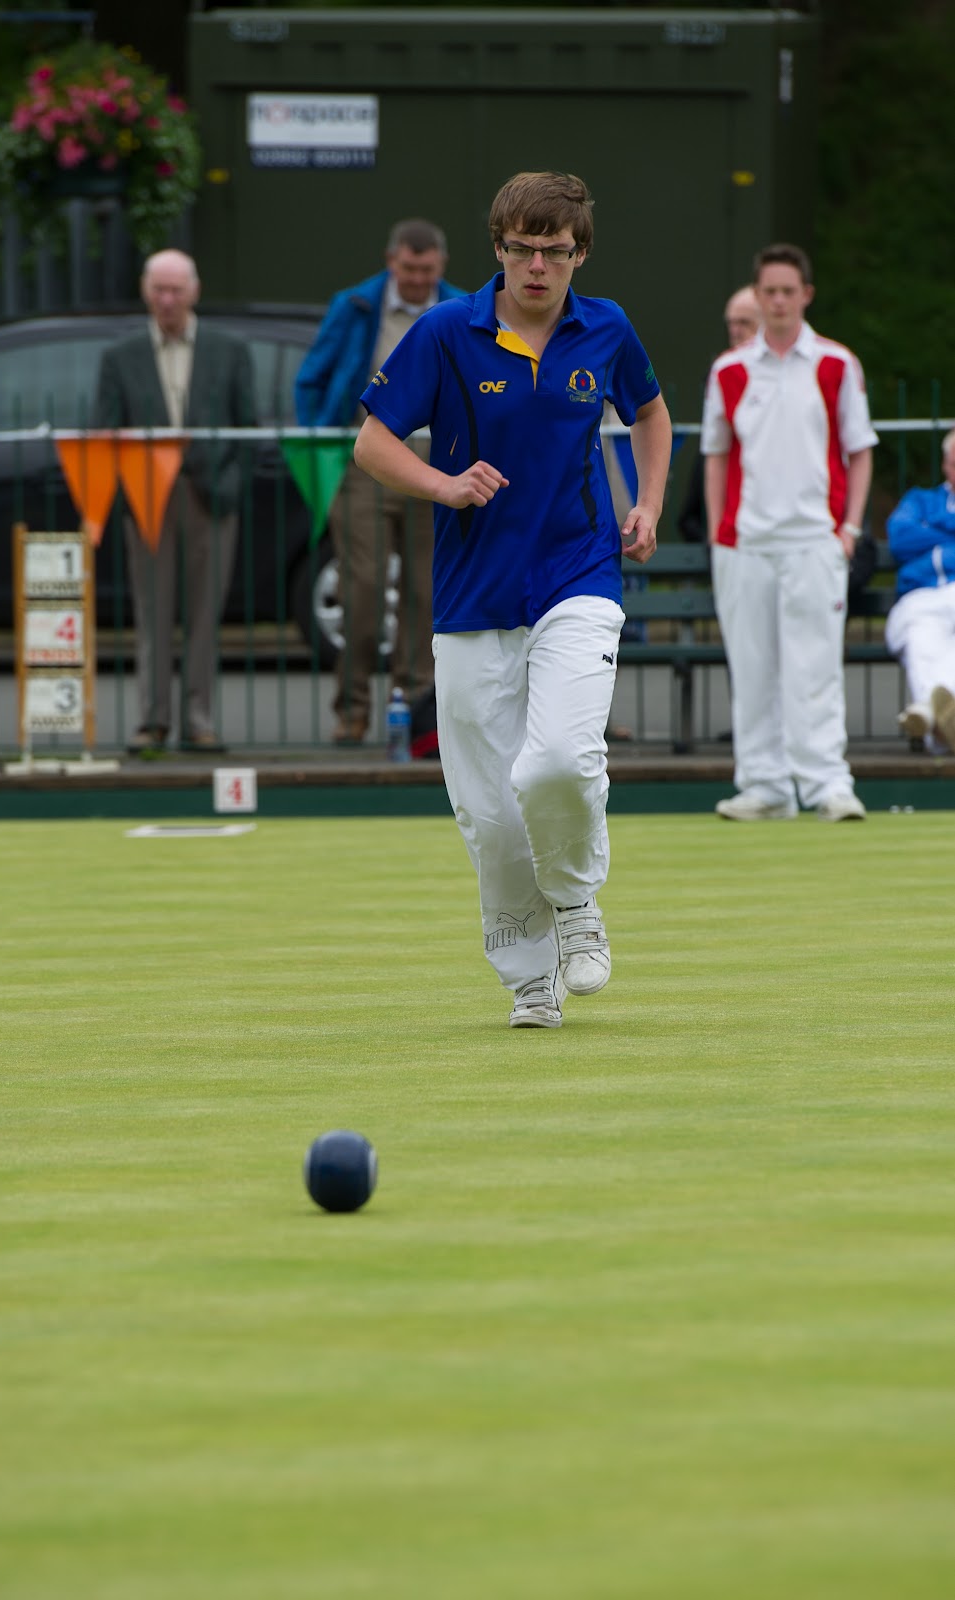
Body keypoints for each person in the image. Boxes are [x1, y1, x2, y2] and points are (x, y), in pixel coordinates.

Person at [354, 170, 671, 1029]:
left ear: (579, 254)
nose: (538, 266)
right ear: (498, 249)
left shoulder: (605, 327)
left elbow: (649, 413)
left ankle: (575, 907)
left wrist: (644, 501)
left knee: (559, 761)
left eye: (555, 251)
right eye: (522, 249)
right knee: (489, 811)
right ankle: (528, 977)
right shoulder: (446, 331)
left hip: (578, 574)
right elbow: (373, 444)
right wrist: (444, 485)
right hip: (471, 596)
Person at [701, 242, 877, 822]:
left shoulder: (836, 364)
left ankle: (828, 782)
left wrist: (848, 527)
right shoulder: (728, 370)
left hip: (815, 540)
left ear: (805, 295)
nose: (777, 301)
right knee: (751, 667)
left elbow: (859, 451)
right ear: (758, 296)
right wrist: (718, 535)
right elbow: (716, 455)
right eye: (768, 291)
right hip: (746, 542)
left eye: (787, 291)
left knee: (816, 666)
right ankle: (765, 785)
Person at [294, 219, 464, 745]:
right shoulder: (356, 306)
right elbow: (312, 376)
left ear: (441, 268)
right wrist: (322, 434)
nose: (417, 279)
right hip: (364, 460)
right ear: (392, 262)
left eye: (427, 271)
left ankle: (415, 711)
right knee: (361, 586)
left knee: (425, 591)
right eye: (409, 269)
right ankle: (352, 707)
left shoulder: (461, 309)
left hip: (435, 463)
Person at [96, 249, 254, 754]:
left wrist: (230, 484)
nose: (167, 300)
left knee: (206, 612)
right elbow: (105, 432)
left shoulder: (229, 350)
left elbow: (250, 429)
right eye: (159, 290)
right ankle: (153, 721)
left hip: (210, 494)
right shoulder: (119, 357)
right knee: (152, 610)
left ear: (194, 291)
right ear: (146, 292)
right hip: (146, 498)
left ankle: (199, 719)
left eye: (176, 290)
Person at [884, 428, 955, 753]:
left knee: (934, 646)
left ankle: (927, 714)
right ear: (944, 465)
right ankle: (939, 717)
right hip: (920, 600)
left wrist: (932, 531)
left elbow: (915, 539)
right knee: (919, 636)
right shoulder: (920, 500)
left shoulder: (927, 514)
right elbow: (900, 537)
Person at [678, 286, 760, 545]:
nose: (735, 330)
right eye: (731, 323)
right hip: (729, 518)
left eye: (744, 322)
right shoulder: (722, 372)